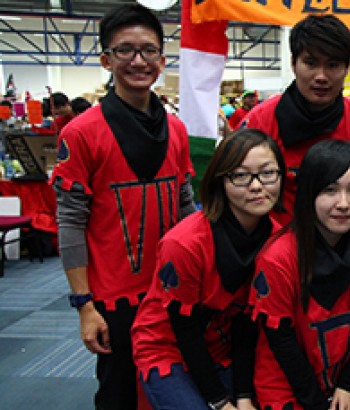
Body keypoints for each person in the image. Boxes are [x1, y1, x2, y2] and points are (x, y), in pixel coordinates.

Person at [50, 4, 197, 409]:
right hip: (115, 299)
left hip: (171, 288)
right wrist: (84, 305)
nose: (138, 61)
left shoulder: (177, 128)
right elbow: (71, 223)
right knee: (118, 394)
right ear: (106, 60)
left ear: (163, 60)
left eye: (148, 51)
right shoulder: (82, 133)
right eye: (125, 51)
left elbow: (187, 210)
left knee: (171, 385)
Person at [132, 128, 285, 410]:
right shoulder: (185, 244)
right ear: (220, 181)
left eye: (267, 173)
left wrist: (242, 396)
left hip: (223, 346)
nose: (256, 186)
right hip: (169, 348)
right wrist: (220, 402)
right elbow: (184, 331)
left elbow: (247, 324)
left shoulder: (277, 240)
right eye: (240, 176)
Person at [250, 139, 350, 410]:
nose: (344, 204)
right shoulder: (278, 259)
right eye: (330, 190)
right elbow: (281, 343)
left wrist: (348, 383)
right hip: (288, 387)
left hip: (344, 386)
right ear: (308, 193)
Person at [242, 14, 350, 223]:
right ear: (293, 63)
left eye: (333, 65)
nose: (321, 76)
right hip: (273, 246)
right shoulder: (259, 123)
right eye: (310, 63)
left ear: (347, 69)